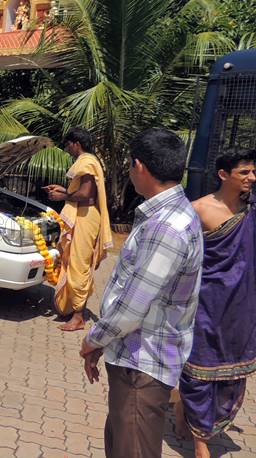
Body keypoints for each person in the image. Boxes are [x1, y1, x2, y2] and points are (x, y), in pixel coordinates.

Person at [79, 128, 203, 458]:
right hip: (137, 357)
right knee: (122, 443)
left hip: (141, 364)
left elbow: (133, 307)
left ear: (139, 166)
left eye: (131, 167)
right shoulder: (172, 214)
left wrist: (94, 339)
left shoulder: (166, 227)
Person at [174, 149, 256, 458]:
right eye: (244, 173)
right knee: (199, 371)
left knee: (231, 373)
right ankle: (200, 442)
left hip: (242, 306)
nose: (252, 178)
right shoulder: (198, 209)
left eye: (253, 172)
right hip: (207, 304)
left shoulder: (251, 211)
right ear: (223, 174)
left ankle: (191, 417)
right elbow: (182, 257)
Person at [43, 128, 113, 331]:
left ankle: (78, 316)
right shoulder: (88, 161)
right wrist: (64, 190)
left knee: (79, 266)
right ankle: (73, 308)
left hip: (86, 216)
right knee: (74, 261)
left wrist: (64, 197)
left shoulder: (86, 162)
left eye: (68, 145)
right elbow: (83, 192)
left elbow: (86, 195)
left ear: (77, 143)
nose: (67, 149)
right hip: (85, 214)